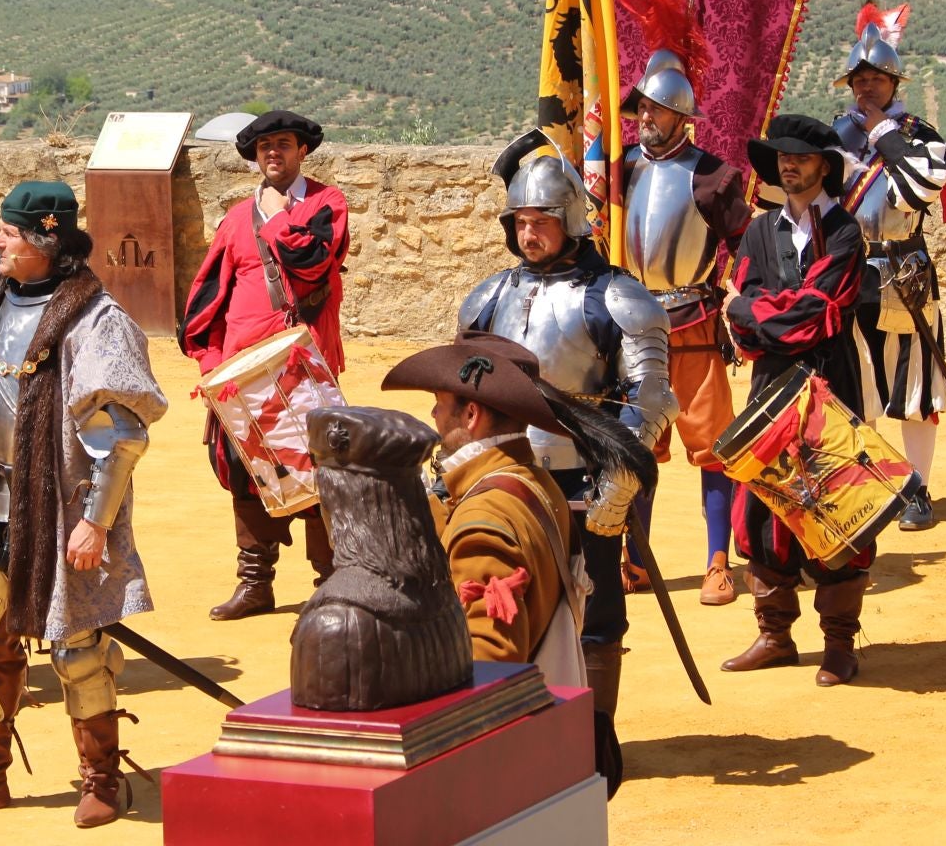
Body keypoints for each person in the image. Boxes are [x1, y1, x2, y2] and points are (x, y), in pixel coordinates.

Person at [0, 182, 165, 829]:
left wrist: (94, 522)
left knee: (78, 653)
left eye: (10, 233)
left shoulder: (94, 319)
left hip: (61, 510)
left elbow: (122, 437)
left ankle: (101, 778)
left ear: (45, 240)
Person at [458, 144, 676, 739]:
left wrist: (619, 483)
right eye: (520, 222)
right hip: (505, 477)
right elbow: (463, 391)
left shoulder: (617, 296)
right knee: (505, 597)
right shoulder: (489, 297)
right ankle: (519, 733)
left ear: (571, 219)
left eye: (541, 221)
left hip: (584, 477)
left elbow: (652, 398)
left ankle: (593, 740)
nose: (528, 234)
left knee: (594, 611)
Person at [180, 109, 349, 621]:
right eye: (264, 146)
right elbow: (209, 296)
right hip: (242, 374)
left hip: (303, 369)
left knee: (319, 471)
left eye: (283, 144)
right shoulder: (236, 219)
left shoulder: (327, 203)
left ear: (302, 151)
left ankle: (331, 583)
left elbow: (313, 262)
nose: (273, 153)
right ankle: (256, 584)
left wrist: (276, 216)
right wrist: (211, 364)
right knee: (246, 473)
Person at [721, 114, 872, 687]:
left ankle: (839, 644)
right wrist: (761, 313)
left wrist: (751, 310)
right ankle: (775, 636)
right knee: (763, 506)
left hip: (830, 389)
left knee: (837, 506)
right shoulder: (760, 232)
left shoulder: (846, 234)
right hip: (770, 389)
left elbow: (812, 317)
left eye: (800, 157)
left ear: (823, 168)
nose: (788, 165)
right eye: (782, 157)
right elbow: (753, 313)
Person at [619, 52, 754, 604]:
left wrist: (742, 297)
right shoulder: (621, 169)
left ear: (680, 114)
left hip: (692, 320)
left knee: (713, 445)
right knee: (636, 445)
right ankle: (636, 559)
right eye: (641, 107)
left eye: (655, 108)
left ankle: (718, 562)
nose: (645, 116)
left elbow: (747, 245)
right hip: (633, 322)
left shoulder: (712, 176)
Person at [381, 334, 574, 667]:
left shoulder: (483, 518)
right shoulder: (537, 481)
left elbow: (490, 664)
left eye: (440, 402)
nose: (433, 413)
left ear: (470, 414)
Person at [834, 22, 946, 531]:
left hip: (904, 271)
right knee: (854, 384)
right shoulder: (835, 137)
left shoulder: (919, 135)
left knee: (913, 390)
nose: (867, 87)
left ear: (894, 83)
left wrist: (883, 133)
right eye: (860, 79)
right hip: (847, 273)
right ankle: (868, 489)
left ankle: (916, 490)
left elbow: (917, 189)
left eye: (877, 79)